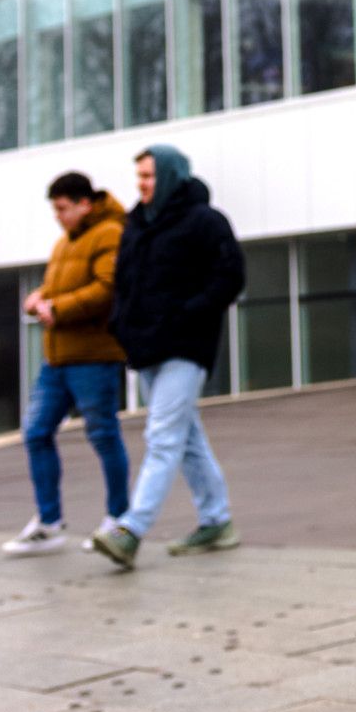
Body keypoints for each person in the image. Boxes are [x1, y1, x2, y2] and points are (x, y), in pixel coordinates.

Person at [89, 143, 245, 568]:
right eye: (138, 176)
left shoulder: (205, 222)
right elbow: (125, 284)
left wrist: (188, 313)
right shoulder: (136, 225)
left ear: (171, 176)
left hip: (186, 347)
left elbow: (231, 276)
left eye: (149, 176)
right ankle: (217, 521)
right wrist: (121, 325)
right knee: (186, 439)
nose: (141, 184)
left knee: (162, 436)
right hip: (146, 347)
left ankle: (130, 529)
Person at [4, 171, 131, 556]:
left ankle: (119, 520)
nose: (58, 216)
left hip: (94, 356)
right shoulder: (63, 244)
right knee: (36, 432)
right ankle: (48, 522)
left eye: (62, 208)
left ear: (84, 204)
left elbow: (107, 289)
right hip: (56, 359)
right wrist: (38, 297)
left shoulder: (110, 233)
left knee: (103, 434)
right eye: (55, 209)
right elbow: (62, 288)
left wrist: (57, 307)